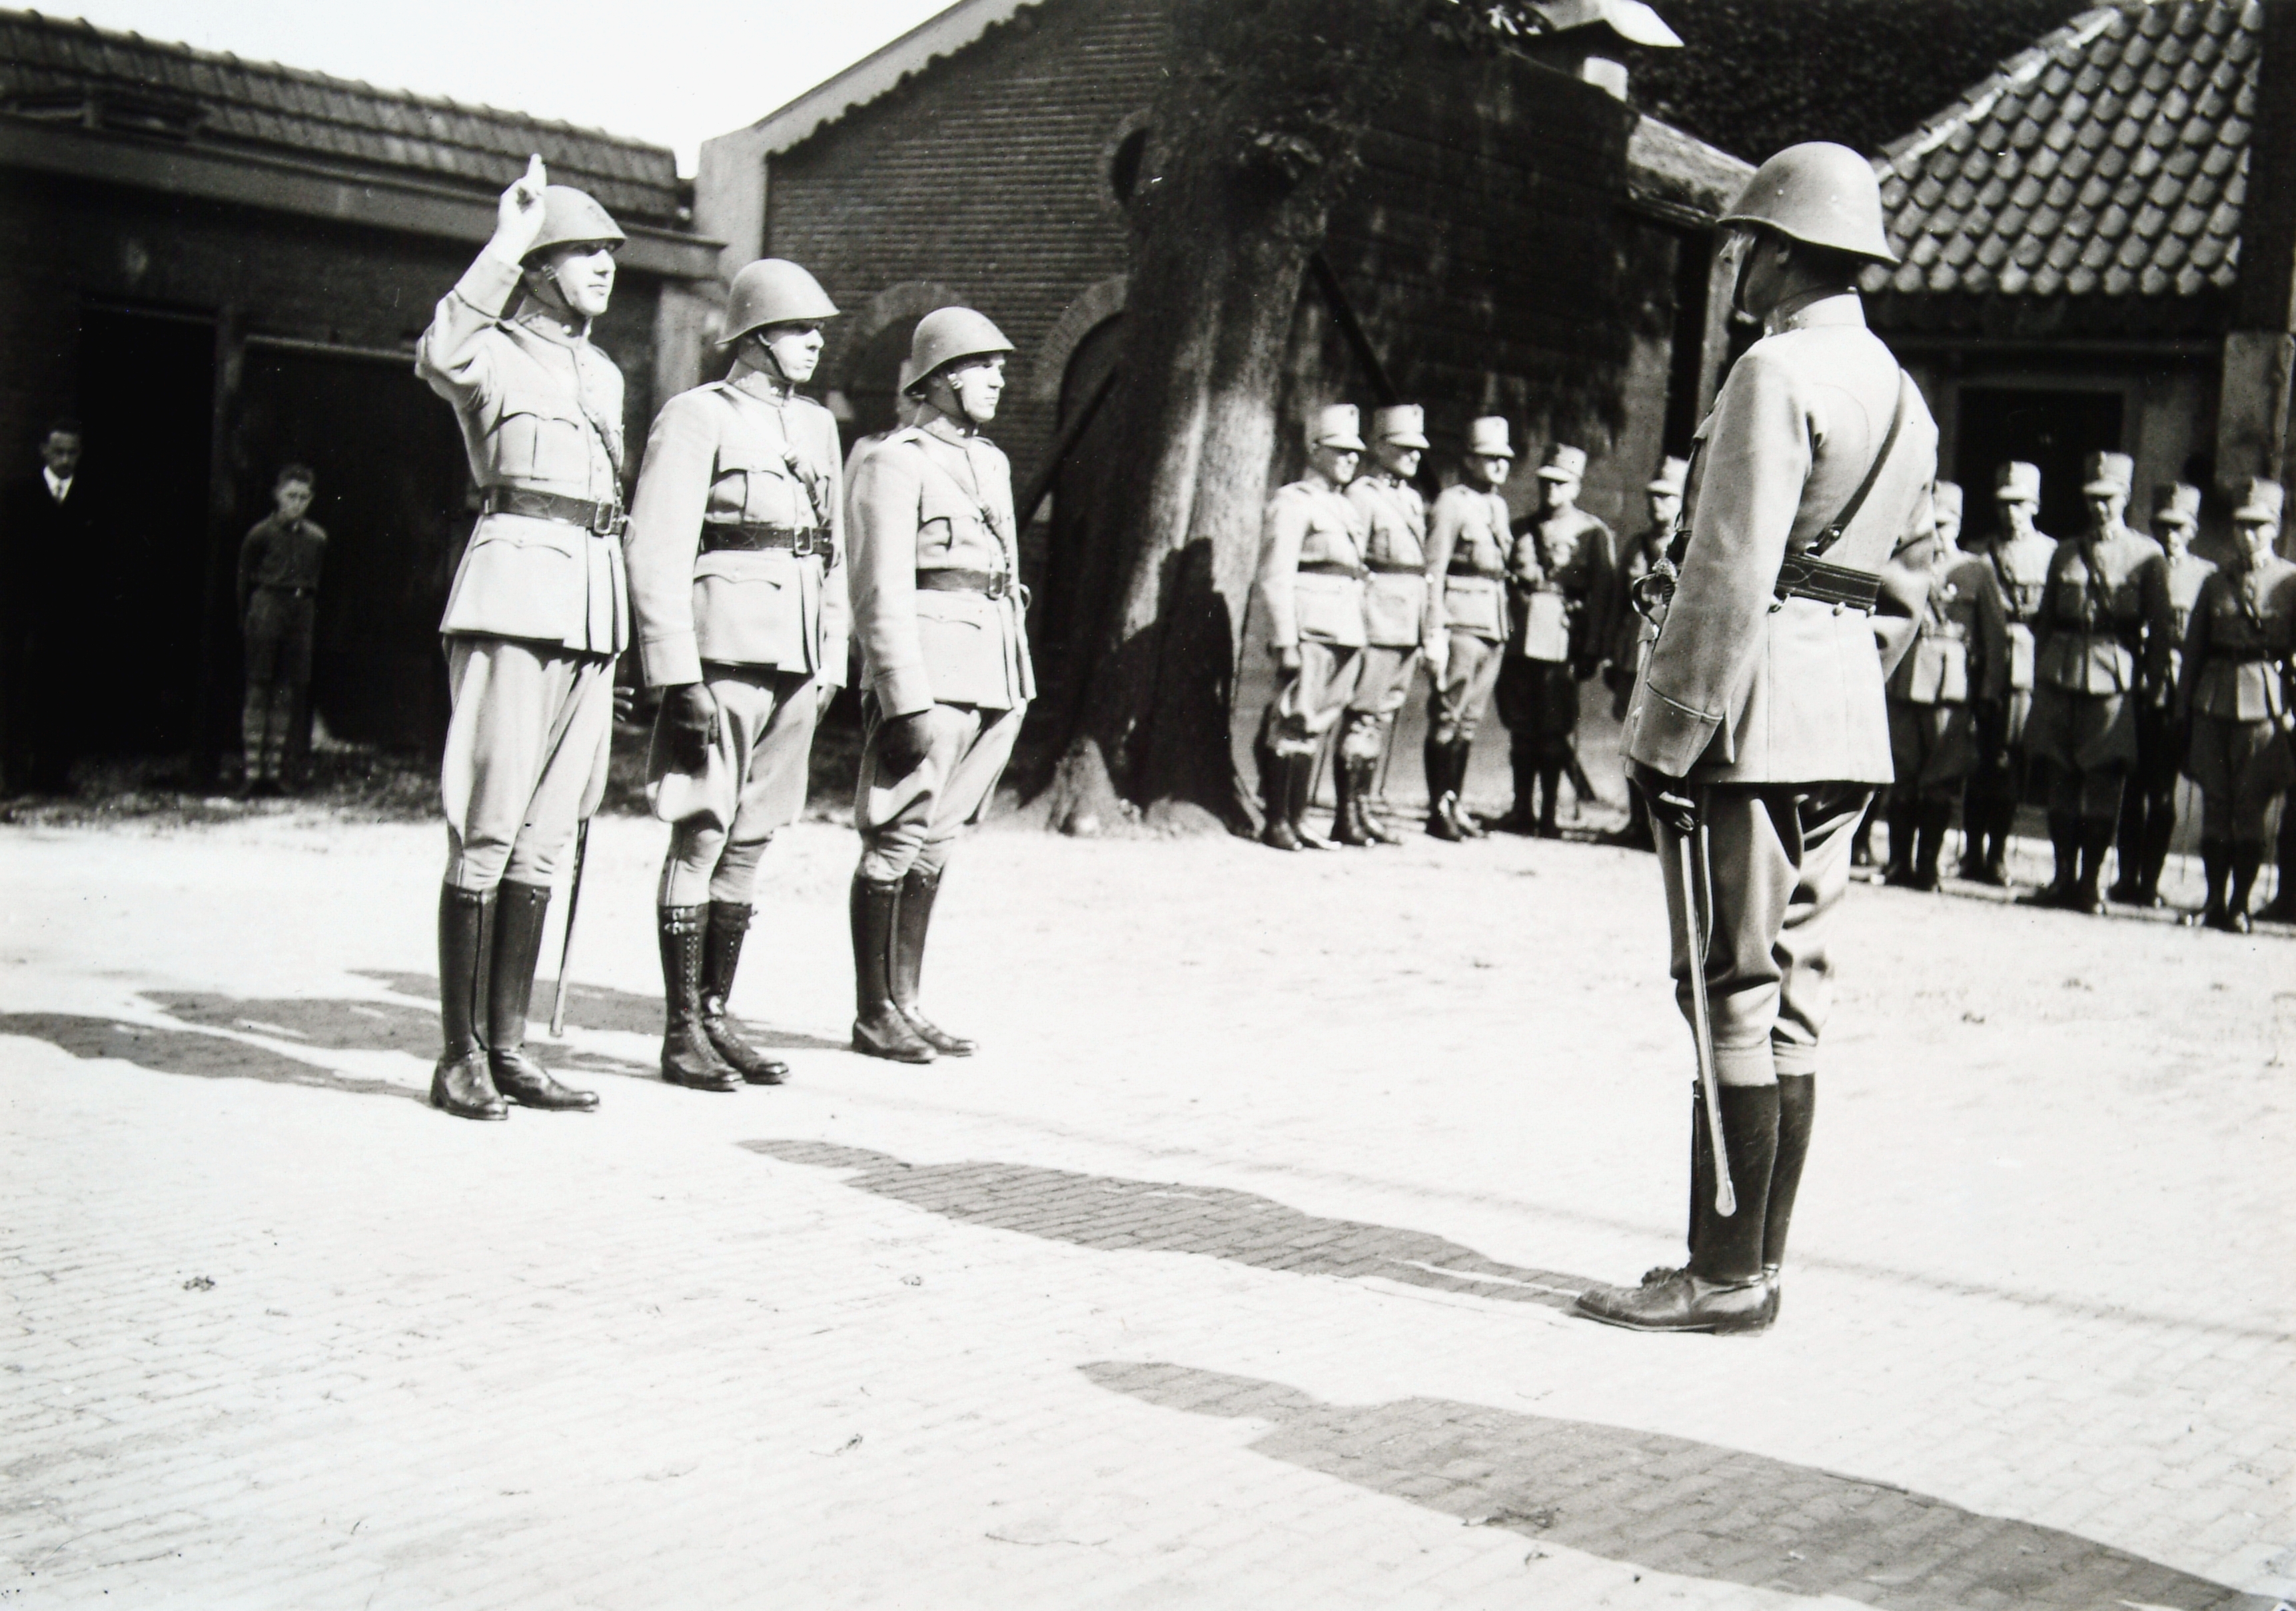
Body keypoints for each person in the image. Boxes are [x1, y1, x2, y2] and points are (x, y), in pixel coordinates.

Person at [1576, 141, 1935, 1335]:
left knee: (1725, 984)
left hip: (1751, 711)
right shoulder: (1904, 393)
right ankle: (1759, 1264)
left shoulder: (1774, 371)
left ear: (1781, 251)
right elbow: (1907, 586)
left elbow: (1728, 568)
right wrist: (1843, 682)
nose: (1736, 263)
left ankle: (1718, 1272)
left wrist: (1666, 733)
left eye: (1745, 244)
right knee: (1793, 994)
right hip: (1842, 721)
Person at [413, 155, 628, 1121]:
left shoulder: (603, 373)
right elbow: (440, 353)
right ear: (538, 269)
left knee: (547, 839)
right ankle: (458, 1054)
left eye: (611, 253)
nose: (605, 267)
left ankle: (509, 1047)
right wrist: (506, 237)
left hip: (589, 606)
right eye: (584, 252)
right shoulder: (492, 353)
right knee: (489, 825)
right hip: (511, 597)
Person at [624, 258, 850, 1092]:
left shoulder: (817, 428)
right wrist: (675, 675)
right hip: (721, 651)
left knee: (753, 836)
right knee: (703, 829)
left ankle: (717, 1014)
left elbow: (831, 554)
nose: (815, 343)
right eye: (798, 329)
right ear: (753, 336)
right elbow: (655, 548)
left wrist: (831, 662)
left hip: (797, 659)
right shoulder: (697, 417)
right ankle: (681, 1028)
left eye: (818, 330)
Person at [845, 307, 1034, 1061]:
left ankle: (908, 1002)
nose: (997, 380)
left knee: (939, 839)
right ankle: (873, 1012)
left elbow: (1005, 573)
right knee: (896, 835)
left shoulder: (992, 463)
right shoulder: (894, 461)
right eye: (983, 367)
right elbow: (878, 589)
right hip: (931, 670)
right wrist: (901, 696)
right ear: (942, 377)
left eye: (1000, 368)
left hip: (992, 668)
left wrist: (1015, 675)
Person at [2023, 451, 2171, 913]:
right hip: (2061, 673)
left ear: (2125, 498)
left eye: (2108, 498)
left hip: (2113, 679)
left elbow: (2161, 632)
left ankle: (2090, 884)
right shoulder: (2065, 552)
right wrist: (2041, 674)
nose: (2099, 507)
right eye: (2093, 498)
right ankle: (2062, 878)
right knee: (2061, 778)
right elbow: (2047, 621)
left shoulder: (2148, 556)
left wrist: (2152, 687)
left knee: (2104, 781)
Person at [2176, 478, 2295, 931]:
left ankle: (2240, 905)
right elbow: (2194, 652)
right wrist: (2183, 710)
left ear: (2274, 528)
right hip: (2214, 701)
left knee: (2250, 808)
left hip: (2265, 705)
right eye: (2241, 526)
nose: (2247, 535)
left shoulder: (2289, 583)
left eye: (2257, 526)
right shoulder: (2214, 583)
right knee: (2215, 804)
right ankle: (2213, 901)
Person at [1253, 404, 1369, 851]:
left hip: (1346, 628)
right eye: (1340, 450)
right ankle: (1277, 821)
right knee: (1292, 719)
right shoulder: (1293, 502)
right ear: (1315, 450)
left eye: (1355, 452)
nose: (1350, 459)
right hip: (1310, 629)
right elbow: (1276, 575)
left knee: (1317, 723)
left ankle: (1298, 819)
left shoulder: (1344, 507)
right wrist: (1285, 638)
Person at [1880, 481, 2006, 888]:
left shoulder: (1977, 571)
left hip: (1950, 687)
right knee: (1902, 773)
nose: (1937, 534)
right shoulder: (1901, 563)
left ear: (1959, 524)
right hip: (1905, 681)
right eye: (1932, 524)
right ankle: (1898, 863)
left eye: (1946, 525)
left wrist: (1988, 692)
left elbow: (1995, 638)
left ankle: (1928, 867)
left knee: (1941, 778)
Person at [1496, 444, 1612, 836]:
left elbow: (1603, 595)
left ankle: (1548, 816)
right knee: (1520, 727)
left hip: (1562, 642)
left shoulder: (1592, 534)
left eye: (1561, 484)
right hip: (1519, 640)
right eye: (1546, 482)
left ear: (1576, 487)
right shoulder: (1519, 529)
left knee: (1553, 729)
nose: (1551, 490)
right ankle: (1521, 810)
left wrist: (1593, 648)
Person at [2109, 482, 2214, 906]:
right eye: (2162, 526)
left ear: (2193, 530)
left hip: (2178, 693)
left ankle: (2149, 882)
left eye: (2178, 527)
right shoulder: (2138, 567)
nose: (2170, 535)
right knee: (2132, 787)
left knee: (2163, 790)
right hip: (2138, 686)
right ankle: (2126, 878)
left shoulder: (2205, 576)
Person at [1337, 404, 1431, 846]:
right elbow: (1353, 562)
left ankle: (1364, 808)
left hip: (1407, 623)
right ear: (1379, 447)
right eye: (1403, 446)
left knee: (1381, 717)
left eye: (1418, 448)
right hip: (1377, 621)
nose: (1414, 455)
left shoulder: (1410, 499)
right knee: (1362, 717)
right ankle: (1346, 815)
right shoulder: (1363, 495)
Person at [1959, 462, 2057, 883]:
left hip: (2025, 670)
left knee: (2010, 761)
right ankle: (1971, 854)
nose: (2011, 513)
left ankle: (1996, 855)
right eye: (2005, 504)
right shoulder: (1980, 553)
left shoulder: (2052, 554)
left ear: (2035, 506)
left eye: (2020, 504)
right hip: (1984, 664)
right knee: (1975, 759)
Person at [1420, 416, 1514, 841]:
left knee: (1469, 722)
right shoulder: (1452, 503)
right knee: (1448, 715)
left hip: (1494, 622)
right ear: (1469, 460)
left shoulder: (1498, 507)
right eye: (1489, 457)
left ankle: (1454, 802)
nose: (1499, 465)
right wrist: (1433, 630)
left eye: (1504, 458)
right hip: (1460, 621)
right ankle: (1438, 809)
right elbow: (1434, 570)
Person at [1600, 456, 1688, 850]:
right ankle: (1636, 820)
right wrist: (1607, 653)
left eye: (1667, 497)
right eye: (1653, 496)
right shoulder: (1637, 544)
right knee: (1631, 735)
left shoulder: (1689, 546)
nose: (1657, 505)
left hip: (1670, 649)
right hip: (1631, 651)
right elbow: (1617, 603)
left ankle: (1658, 825)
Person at [1, 420, 93, 794]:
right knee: (16, 691)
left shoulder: (89, 497)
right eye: (58, 452)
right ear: (44, 452)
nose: (65, 459)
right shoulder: (17, 495)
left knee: (61, 690)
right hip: (22, 613)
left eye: (72, 453)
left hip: (68, 614)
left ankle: (52, 774)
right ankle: (12, 774)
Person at [236, 464, 326, 796]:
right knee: (259, 687)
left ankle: (274, 773)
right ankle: (253, 772)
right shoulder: (260, 535)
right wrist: (249, 620)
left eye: (303, 497)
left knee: (286, 691)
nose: (296, 504)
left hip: (299, 612)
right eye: (290, 496)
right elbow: (243, 581)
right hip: (267, 608)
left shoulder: (317, 539)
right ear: (277, 496)